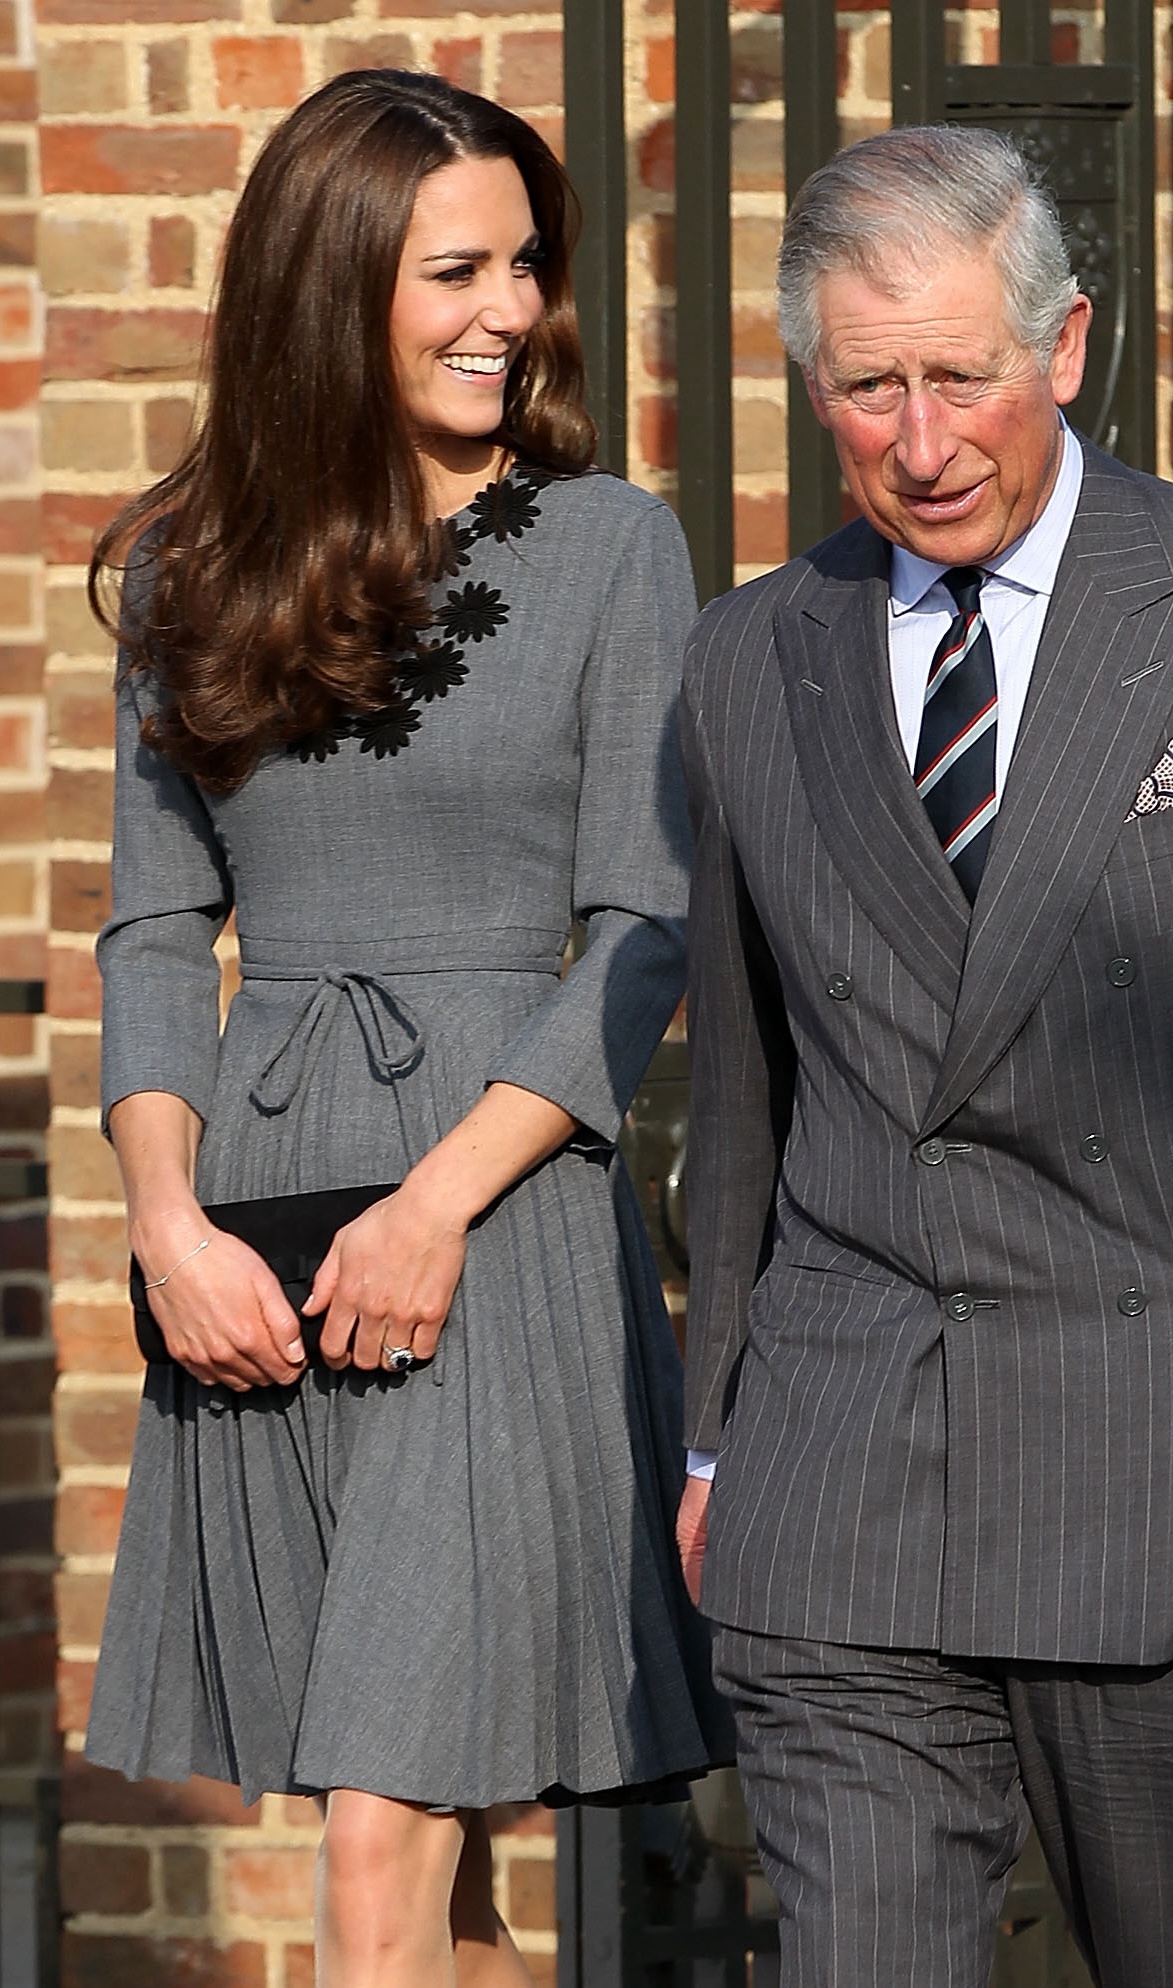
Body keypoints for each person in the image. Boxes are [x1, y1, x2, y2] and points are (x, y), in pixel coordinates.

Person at [675, 123, 1173, 1988]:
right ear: (816, 385)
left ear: (1064, 347)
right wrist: (722, 1428)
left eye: (959, 376)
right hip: (842, 1487)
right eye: (867, 388)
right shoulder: (748, 660)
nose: (921, 439)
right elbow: (746, 1092)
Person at [86, 69, 726, 1988]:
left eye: (525, 265)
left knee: (380, 1823)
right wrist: (166, 1224)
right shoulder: (199, 565)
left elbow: (646, 920)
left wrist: (441, 1205)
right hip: (263, 1218)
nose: (506, 310)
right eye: (456, 267)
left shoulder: (613, 546)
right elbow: (151, 924)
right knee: (433, 1873)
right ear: (331, 285)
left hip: (496, 1209)